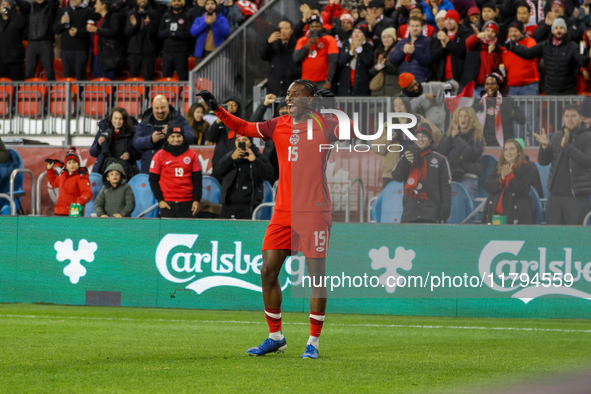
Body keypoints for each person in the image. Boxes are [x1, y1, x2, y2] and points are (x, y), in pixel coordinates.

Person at [198, 80, 344, 359]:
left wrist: (331, 108)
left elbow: (349, 129)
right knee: (268, 271)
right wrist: (216, 108)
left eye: (296, 94)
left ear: (310, 100)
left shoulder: (325, 125)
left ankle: (313, 342)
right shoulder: (277, 124)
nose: (289, 99)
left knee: (315, 277)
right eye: (288, 95)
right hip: (282, 212)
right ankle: (275, 336)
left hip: (314, 211)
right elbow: (243, 127)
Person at [534, 104, 591, 225]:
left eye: (573, 116)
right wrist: (544, 147)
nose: (570, 119)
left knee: (574, 237)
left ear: (581, 118)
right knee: (553, 237)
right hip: (554, 197)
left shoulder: (588, 137)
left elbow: (587, 161)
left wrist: (567, 147)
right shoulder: (556, 135)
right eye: (567, 116)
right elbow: (543, 162)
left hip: (577, 198)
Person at [506, 18, 591, 95]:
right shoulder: (545, 45)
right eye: (556, 28)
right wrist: (513, 47)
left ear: (565, 30)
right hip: (551, 91)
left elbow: (583, 62)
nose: (559, 30)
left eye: (561, 28)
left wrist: (584, 54)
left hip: (568, 91)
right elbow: (528, 53)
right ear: (552, 31)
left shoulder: (572, 46)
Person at [391, 126, 452, 223]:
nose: (420, 139)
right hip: (410, 214)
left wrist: (446, 207)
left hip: (431, 214)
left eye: (424, 136)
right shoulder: (407, 157)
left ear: (429, 140)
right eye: (417, 136)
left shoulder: (440, 159)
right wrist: (404, 161)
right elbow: (396, 177)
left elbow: (446, 187)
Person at [149, 122, 203, 218]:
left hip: (188, 203)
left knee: (187, 232)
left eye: (178, 136)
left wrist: (196, 200)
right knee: (168, 232)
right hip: (168, 203)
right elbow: (153, 180)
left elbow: (197, 179)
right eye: (172, 136)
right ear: (168, 138)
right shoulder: (159, 155)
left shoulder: (192, 155)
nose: (176, 139)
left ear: (183, 138)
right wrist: (160, 200)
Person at [213, 135, 273, 219]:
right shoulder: (230, 155)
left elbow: (268, 175)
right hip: (229, 204)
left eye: (245, 140)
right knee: (225, 230)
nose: (242, 142)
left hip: (250, 204)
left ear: (250, 142)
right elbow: (217, 172)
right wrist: (231, 159)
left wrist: (255, 161)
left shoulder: (258, 156)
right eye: (238, 140)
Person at [133, 95, 194, 174]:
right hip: (150, 169)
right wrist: (151, 139)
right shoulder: (145, 121)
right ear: (152, 108)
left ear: (168, 106)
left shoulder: (178, 119)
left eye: (163, 107)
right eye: (157, 108)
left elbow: (190, 137)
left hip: (173, 169)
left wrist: (173, 132)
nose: (160, 111)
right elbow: (136, 142)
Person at [481, 139, 534, 225]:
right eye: (506, 149)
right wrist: (501, 179)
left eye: (512, 149)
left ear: (519, 152)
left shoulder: (527, 168)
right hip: (494, 214)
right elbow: (489, 187)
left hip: (516, 215)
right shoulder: (497, 166)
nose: (508, 152)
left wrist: (509, 176)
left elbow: (522, 191)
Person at [436, 106, 484, 198]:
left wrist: (456, 138)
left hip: (468, 176)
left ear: (471, 119)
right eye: (460, 116)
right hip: (451, 176)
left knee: (463, 200)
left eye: (466, 116)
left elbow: (469, 154)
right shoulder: (450, 135)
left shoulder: (477, 137)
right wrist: (451, 138)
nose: (463, 118)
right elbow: (440, 152)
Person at [473, 73, 525, 147]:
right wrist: (474, 109)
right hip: (483, 145)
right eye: (487, 84)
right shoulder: (479, 101)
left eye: (493, 84)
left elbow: (522, 120)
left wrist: (511, 111)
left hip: (504, 145)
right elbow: (466, 117)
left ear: (498, 86)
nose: (489, 86)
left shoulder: (507, 101)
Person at [90, 107, 140, 178]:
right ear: (111, 119)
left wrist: (130, 154)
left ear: (124, 120)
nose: (117, 121)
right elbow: (92, 152)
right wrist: (99, 144)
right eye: (115, 118)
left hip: (125, 173)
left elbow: (139, 152)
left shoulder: (132, 132)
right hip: (105, 172)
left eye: (120, 119)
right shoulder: (103, 131)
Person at [293, 15, 339, 90]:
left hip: (323, 81)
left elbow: (333, 60)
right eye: (312, 26)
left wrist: (329, 80)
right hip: (306, 82)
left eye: (317, 26)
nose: (315, 28)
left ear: (322, 26)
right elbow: (295, 58)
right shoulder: (302, 40)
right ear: (309, 27)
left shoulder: (329, 39)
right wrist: (307, 45)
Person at [52, 0, 92, 81]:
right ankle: (69, 94)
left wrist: (78, 32)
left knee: (81, 77)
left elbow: (90, 31)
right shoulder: (62, 11)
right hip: (65, 50)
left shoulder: (88, 11)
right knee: (67, 77)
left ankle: (80, 93)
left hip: (81, 50)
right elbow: (55, 30)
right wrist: (61, 22)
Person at [46, 147, 93, 216]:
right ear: (66, 166)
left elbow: (87, 193)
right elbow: (53, 183)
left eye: (74, 162)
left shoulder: (81, 177)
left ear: (78, 164)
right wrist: (50, 170)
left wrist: (80, 201)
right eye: (69, 163)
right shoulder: (63, 176)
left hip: (74, 212)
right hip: (59, 211)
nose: (72, 165)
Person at [87, 0, 126, 80]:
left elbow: (113, 32)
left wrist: (97, 30)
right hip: (97, 54)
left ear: (103, 5)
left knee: (107, 84)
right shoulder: (100, 19)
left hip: (107, 57)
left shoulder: (113, 16)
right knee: (97, 84)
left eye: (96, 4)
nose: (94, 6)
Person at [431, 10, 471, 86]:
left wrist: (447, 41)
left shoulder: (465, 34)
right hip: (443, 77)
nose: (448, 22)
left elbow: (462, 53)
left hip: (460, 78)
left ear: (457, 21)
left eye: (451, 19)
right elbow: (434, 57)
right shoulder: (439, 35)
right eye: (446, 19)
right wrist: (443, 47)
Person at [259, 19, 299, 97]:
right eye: (280, 28)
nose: (283, 31)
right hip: (275, 85)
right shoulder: (272, 43)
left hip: (292, 85)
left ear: (291, 31)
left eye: (286, 28)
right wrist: (268, 43)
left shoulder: (297, 44)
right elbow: (262, 56)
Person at [124, 0, 161, 81]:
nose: (142, 1)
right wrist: (134, 25)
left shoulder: (154, 14)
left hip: (149, 51)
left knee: (148, 77)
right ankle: (135, 94)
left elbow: (156, 34)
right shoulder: (131, 13)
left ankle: (148, 93)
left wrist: (149, 25)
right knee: (134, 78)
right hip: (134, 51)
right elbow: (127, 33)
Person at [390, 16, 433, 83]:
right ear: (408, 27)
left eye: (417, 26)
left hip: (421, 80)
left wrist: (414, 52)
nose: (414, 28)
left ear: (422, 27)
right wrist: (403, 51)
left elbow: (429, 61)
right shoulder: (401, 42)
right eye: (412, 26)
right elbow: (392, 59)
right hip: (404, 81)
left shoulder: (428, 41)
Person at [501, 20, 539, 96]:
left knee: (529, 108)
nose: (512, 33)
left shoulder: (530, 41)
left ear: (522, 32)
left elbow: (533, 56)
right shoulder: (506, 47)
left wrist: (514, 46)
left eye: (515, 31)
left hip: (529, 86)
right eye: (510, 31)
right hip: (512, 87)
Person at [159, 0, 194, 80]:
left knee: (183, 77)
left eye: (178, 1)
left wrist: (177, 35)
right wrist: (168, 33)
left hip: (181, 53)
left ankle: (183, 92)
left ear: (182, 2)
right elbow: (160, 33)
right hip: (167, 52)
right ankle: (167, 92)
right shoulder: (166, 15)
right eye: (174, 1)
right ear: (171, 3)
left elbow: (190, 33)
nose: (176, 3)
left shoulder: (187, 16)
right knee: (167, 77)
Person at [24, 0, 59, 80]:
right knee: (29, 72)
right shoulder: (30, 6)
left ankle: (52, 92)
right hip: (31, 42)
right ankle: (29, 92)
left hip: (46, 42)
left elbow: (55, 2)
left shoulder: (50, 5)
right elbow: (21, 4)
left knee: (49, 71)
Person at [207, 95, 243, 171]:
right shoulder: (218, 122)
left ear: (238, 108)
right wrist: (216, 123)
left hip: (237, 161)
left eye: (234, 105)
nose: (231, 107)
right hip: (220, 161)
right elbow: (210, 137)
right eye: (228, 104)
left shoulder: (241, 123)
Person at [464, 21, 501, 97]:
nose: (489, 33)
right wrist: (477, 36)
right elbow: (467, 43)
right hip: (475, 86)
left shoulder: (497, 49)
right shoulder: (476, 44)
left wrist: (492, 53)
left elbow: (496, 66)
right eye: (487, 30)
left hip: (490, 87)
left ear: (495, 35)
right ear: (484, 31)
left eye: (493, 31)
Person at [337, 25, 374, 96]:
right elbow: (341, 62)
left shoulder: (368, 47)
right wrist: (351, 52)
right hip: (345, 86)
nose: (356, 34)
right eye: (355, 32)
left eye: (359, 32)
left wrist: (359, 49)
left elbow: (368, 62)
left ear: (363, 35)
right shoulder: (346, 44)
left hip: (361, 86)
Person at [369, 27, 401, 96]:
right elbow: (371, 71)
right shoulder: (378, 52)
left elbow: (396, 69)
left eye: (389, 37)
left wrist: (383, 66)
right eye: (384, 37)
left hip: (393, 89)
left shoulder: (398, 51)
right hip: (378, 89)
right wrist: (377, 68)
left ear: (394, 38)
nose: (386, 39)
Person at [0, 0, 26, 80]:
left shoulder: (16, 18)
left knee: (15, 85)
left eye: (7, 5)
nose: (4, 7)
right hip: (1, 61)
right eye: (2, 5)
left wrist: (10, 13)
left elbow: (21, 24)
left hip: (15, 60)